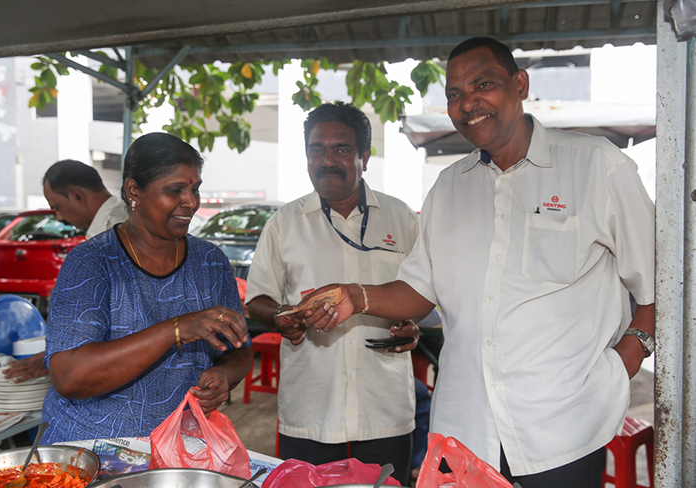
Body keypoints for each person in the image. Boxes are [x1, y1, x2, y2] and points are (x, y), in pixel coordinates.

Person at [299, 37, 655, 488]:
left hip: (564, 429)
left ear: (520, 84)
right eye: (453, 94)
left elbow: (660, 284)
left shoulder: (596, 166)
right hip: (465, 431)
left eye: (482, 84)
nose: (468, 103)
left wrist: (627, 357)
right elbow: (419, 290)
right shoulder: (449, 188)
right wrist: (355, 294)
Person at [245, 102, 420, 485]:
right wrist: (281, 316)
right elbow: (257, 298)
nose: (327, 160)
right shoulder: (284, 224)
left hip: (384, 407)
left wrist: (413, 325)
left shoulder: (401, 218)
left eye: (341, 149)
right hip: (311, 409)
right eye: (316, 149)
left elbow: (424, 294)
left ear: (365, 157)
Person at [41, 132, 252, 444]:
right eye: (175, 190)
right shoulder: (91, 262)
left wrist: (223, 376)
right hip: (94, 449)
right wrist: (176, 329)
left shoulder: (210, 263)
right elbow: (69, 376)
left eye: (195, 189)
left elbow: (240, 350)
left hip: (180, 444)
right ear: (133, 191)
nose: (191, 202)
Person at [3, 160, 129, 382]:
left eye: (57, 207)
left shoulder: (113, 231)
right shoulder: (114, 220)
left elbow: (121, 317)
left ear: (77, 195)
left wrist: (56, 358)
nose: (59, 218)